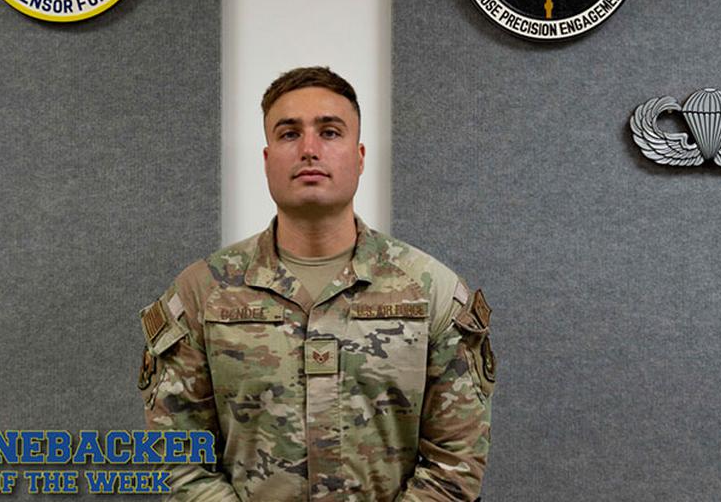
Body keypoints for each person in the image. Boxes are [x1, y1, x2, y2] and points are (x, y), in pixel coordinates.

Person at [138, 66, 494, 501]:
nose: (309, 149)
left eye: (329, 132)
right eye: (289, 134)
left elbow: (454, 464)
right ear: (267, 160)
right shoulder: (202, 292)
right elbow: (178, 459)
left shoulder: (430, 290)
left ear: (360, 156)